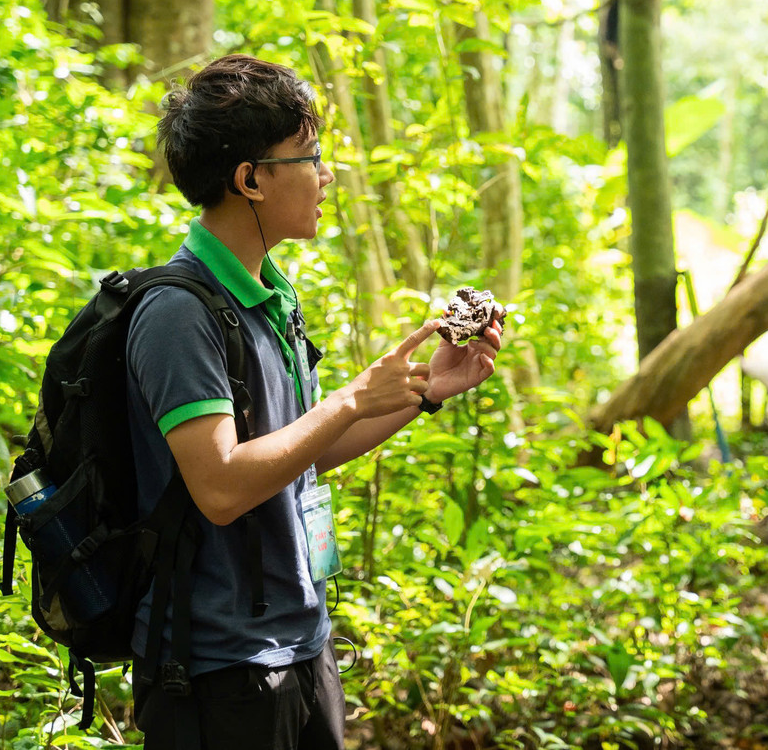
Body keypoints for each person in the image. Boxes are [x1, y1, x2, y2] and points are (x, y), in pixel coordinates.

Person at [126, 54, 504, 748]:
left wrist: (426, 389)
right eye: (309, 156)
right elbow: (219, 487)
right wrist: (353, 395)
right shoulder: (178, 315)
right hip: (217, 670)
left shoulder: (271, 297)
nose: (327, 174)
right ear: (251, 179)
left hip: (301, 645)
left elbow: (303, 453)